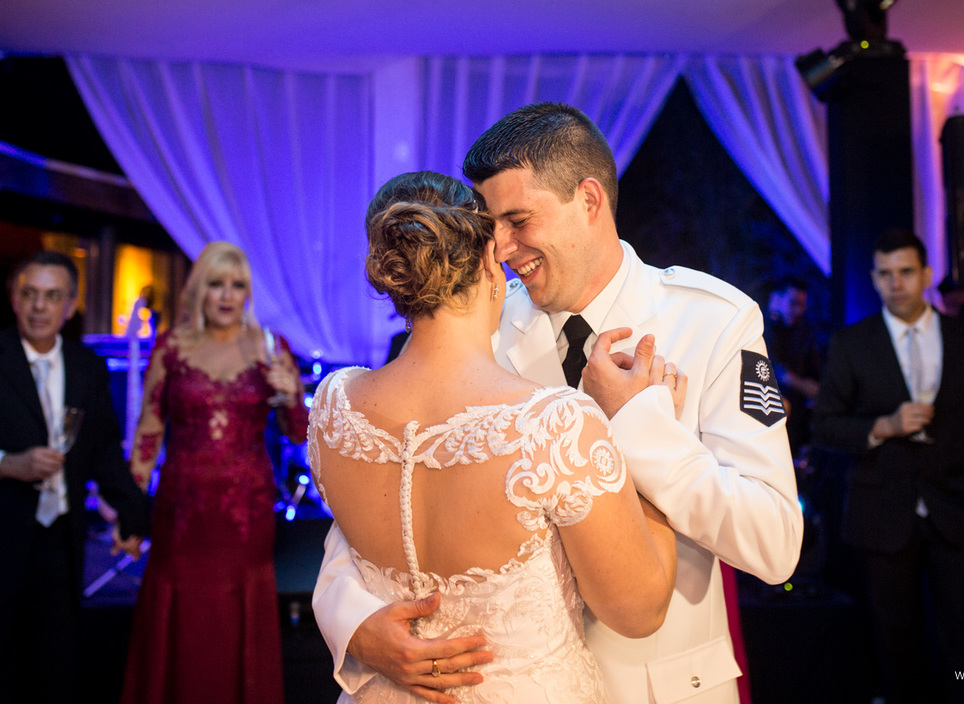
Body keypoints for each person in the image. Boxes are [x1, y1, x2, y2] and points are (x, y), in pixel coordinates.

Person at [313, 102, 803, 704]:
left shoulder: (713, 321)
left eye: (518, 219)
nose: (502, 247)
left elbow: (775, 544)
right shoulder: (478, 324)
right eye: (490, 226)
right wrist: (351, 621)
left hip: (662, 686)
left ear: (589, 201)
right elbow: (381, 498)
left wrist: (641, 427)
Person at [309, 171, 679, 702]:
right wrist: (644, 424)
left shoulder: (334, 405)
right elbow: (639, 611)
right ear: (489, 263)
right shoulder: (556, 424)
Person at [811, 229, 964, 704]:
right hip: (883, 515)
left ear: (925, 275)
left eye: (905, 272)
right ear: (874, 278)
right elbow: (825, 427)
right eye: (885, 274)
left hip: (960, 510)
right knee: (895, 646)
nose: (896, 283)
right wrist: (883, 425)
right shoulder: (852, 343)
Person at [120, 241, 309, 704]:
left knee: (239, 610)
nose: (227, 295)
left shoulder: (270, 348)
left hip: (245, 515)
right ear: (199, 291)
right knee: (181, 615)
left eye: (237, 285)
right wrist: (129, 510)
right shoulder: (171, 348)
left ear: (248, 293)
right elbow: (149, 429)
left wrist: (292, 396)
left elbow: (299, 434)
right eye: (217, 285)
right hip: (181, 513)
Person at [0, 251, 150, 703]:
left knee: (56, 666)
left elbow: (103, 450)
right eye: (29, 294)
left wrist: (132, 513)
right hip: (4, 534)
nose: (39, 307)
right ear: (13, 298)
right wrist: (8, 463)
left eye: (52, 296)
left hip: (62, 539)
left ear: (70, 304)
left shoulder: (87, 366)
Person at [763, 275, 823, 454]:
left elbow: (815, 372)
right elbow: (773, 369)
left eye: (802, 305)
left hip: (798, 420)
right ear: (776, 299)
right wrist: (804, 386)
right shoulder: (762, 327)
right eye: (793, 303)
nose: (798, 311)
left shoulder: (804, 331)